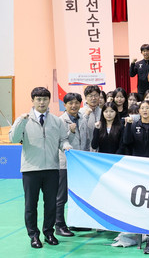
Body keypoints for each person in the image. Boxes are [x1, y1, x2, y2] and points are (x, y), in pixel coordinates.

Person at [10, 87, 72, 249]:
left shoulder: (56, 121)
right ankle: (34, 235)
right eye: (38, 99)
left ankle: (49, 233)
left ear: (49, 100)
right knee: (31, 205)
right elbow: (13, 138)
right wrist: (21, 121)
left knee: (51, 204)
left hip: (52, 168)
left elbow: (63, 139)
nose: (42, 102)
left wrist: (66, 146)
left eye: (44, 99)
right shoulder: (24, 119)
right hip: (30, 170)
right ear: (33, 101)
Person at [55, 93, 89, 237]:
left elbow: (86, 140)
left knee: (78, 194)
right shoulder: (60, 121)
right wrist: (71, 131)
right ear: (65, 105)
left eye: (76, 103)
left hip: (79, 164)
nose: (73, 106)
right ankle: (59, 225)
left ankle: (76, 222)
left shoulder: (83, 118)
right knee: (61, 197)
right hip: (65, 164)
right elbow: (59, 141)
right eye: (70, 103)